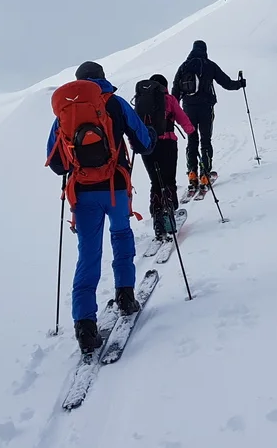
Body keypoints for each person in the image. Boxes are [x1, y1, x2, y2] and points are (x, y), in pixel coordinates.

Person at [46, 60, 156, 354]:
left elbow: (56, 164)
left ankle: (84, 324)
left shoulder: (65, 114)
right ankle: (125, 296)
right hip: (115, 188)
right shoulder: (116, 104)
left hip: (82, 193)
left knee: (88, 254)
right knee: (121, 236)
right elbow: (144, 143)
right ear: (103, 79)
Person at [170, 40, 246, 193]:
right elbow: (226, 83)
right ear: (205, 50)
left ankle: (192, 174)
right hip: (205, 108)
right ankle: (205, 175)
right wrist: (240, 84)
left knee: (192, 140)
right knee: (205, 140)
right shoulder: (209, 65)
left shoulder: (183, 67)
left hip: (188, 109)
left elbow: (175, 91)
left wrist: (174, 110)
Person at [133, 74, 195, 242]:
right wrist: (191, 132)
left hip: (147, 146)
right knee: (168, 180)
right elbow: (183, 118)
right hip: (167, 143)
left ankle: (157, 220)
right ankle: (169, 217)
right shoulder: (169, 99)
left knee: (155, 181)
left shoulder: (141, 101)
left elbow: (134, 124)